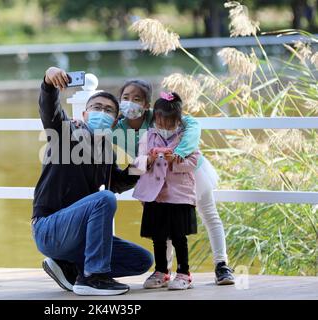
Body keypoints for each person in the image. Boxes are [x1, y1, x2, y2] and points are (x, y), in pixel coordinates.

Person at [32, 66, 153, 296]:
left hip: (77, 237)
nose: (102, 112)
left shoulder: (107, 151)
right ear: (84, 115)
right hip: (49, 228)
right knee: (103, 199)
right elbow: (50, 110)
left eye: (109, 110)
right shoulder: (66, 133)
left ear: (115, 120)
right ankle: (93, 278)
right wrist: (48, 80)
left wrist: (139, 168)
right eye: (96, 107)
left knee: (142, 260)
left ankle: (70, 267)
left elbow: (116, 183)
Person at [115, 79, 235, 286]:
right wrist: (145, 186)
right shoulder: (116, 128)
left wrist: (180, 153)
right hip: (155, 177)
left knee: (209, 214)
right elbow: (136, 161)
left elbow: (193, 125)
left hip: (188, 171)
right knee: (163, 225)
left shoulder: (161, 114)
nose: (130, 103)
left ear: (147, 104)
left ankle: (221, 264)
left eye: (137, 99)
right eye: (125, 98)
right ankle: (164, 271)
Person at [132, 92, 200, 290]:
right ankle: (161, 271)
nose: (164, 124)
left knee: (179, 235)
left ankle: (184, 272)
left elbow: (193, 162)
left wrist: (175, 162)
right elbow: (137, 163)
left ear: (178, 119)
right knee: (158, 235)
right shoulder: (148, 136)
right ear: (155, 118)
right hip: (156, 195)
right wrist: (150, 160)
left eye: (169, 121)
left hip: (178, 194)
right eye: (160, 120)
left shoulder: (185, 138)